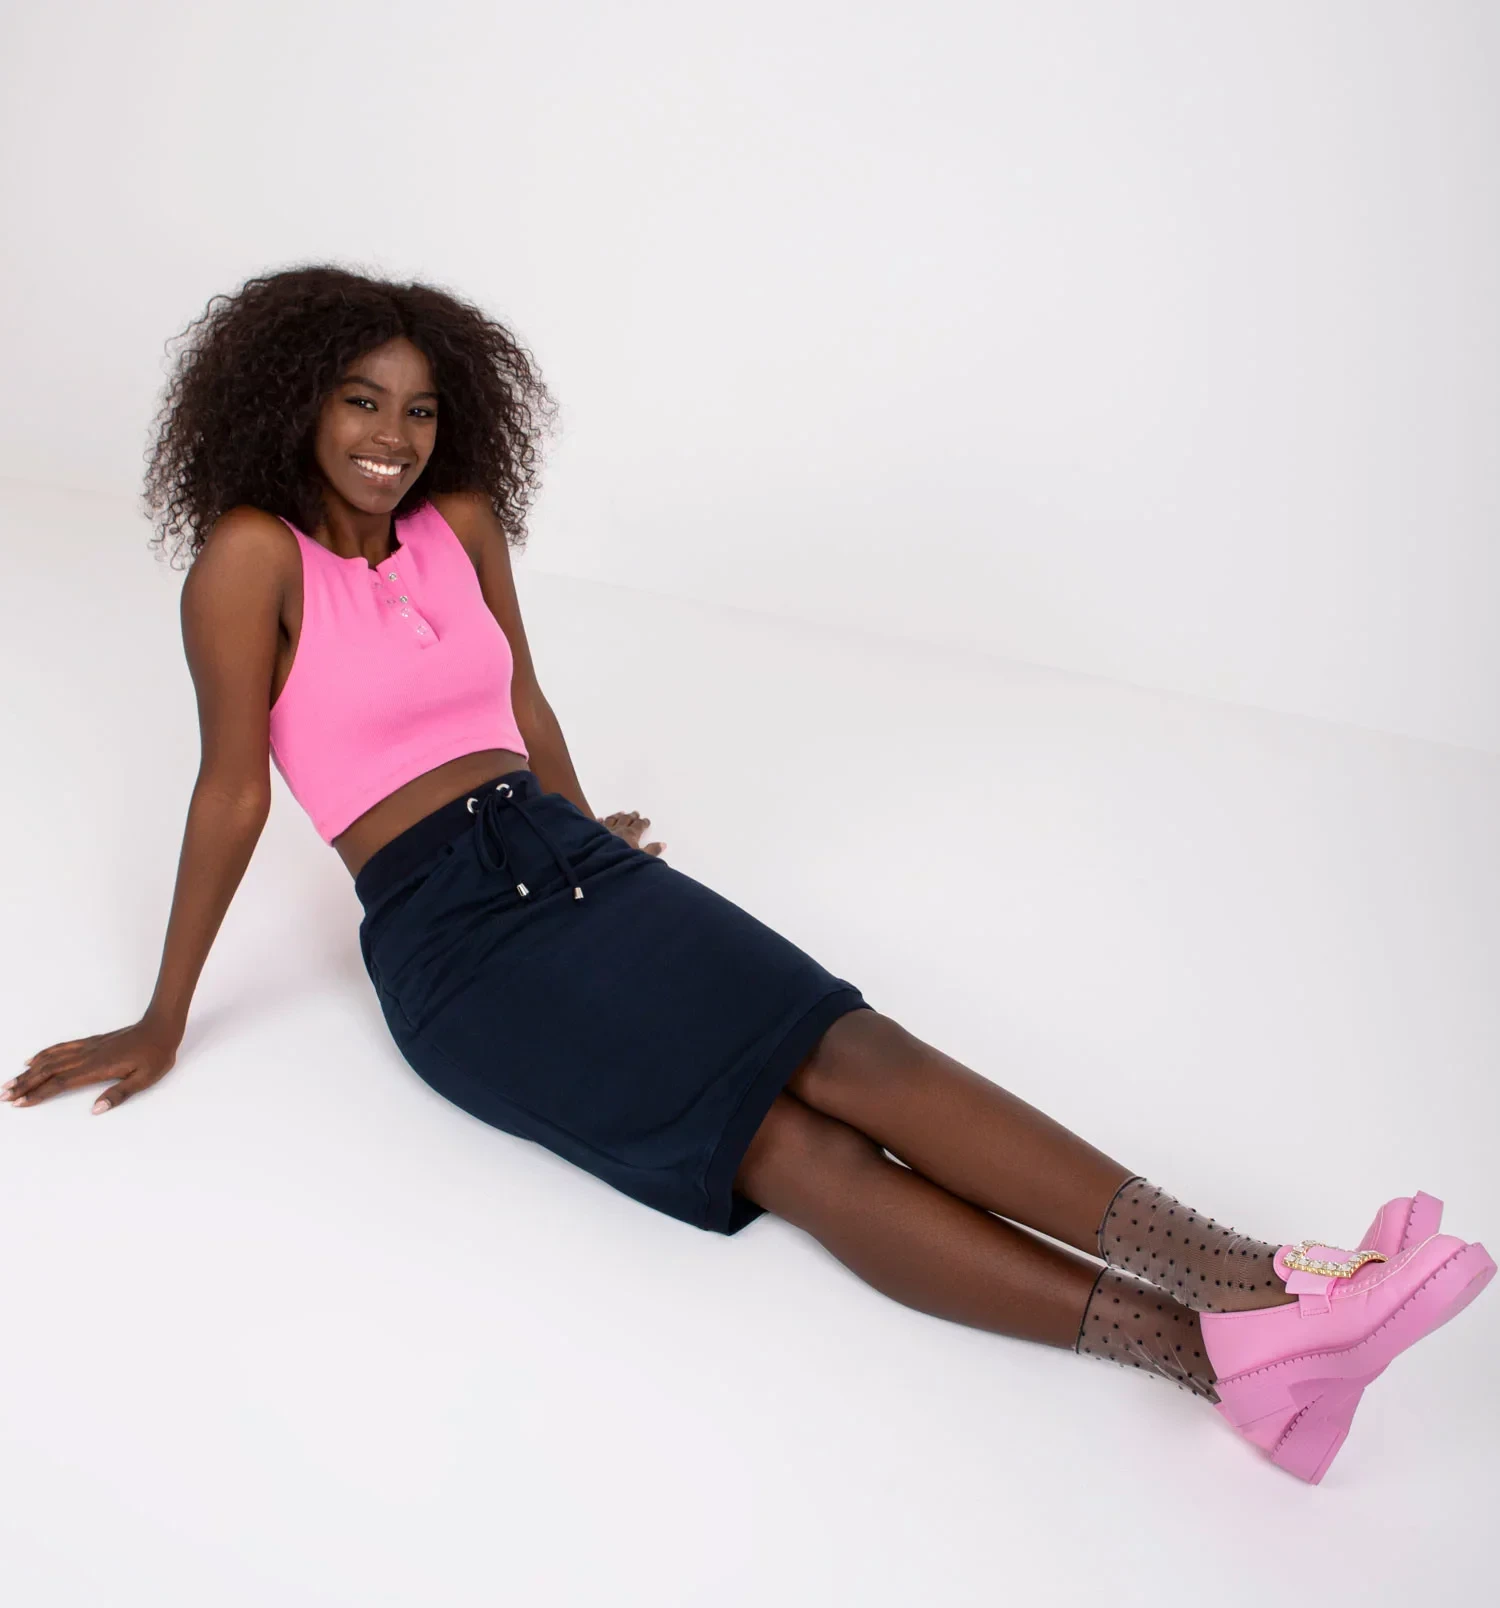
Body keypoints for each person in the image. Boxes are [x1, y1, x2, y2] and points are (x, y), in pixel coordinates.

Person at [5, 265, 1491, 1484]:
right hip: (453, 944)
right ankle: (1230, 1359)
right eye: (359, 400)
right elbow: (232, 789)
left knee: (862, 1051)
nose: (393, 434)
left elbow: (522, 701)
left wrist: (580, 830)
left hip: (567, 865)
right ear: (293, 401)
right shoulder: (252, 558)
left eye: (420, 407)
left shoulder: (458, 524)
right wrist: (164, 1016)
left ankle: (1260, 1283)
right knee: (790, 1152)